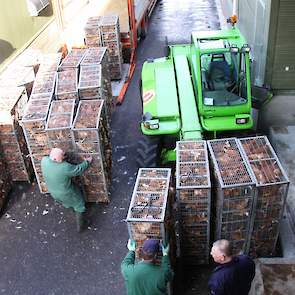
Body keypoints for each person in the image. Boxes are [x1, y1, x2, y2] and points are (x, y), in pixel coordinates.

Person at [41, 148, 92, 232]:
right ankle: (81, 226)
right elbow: (78, 170)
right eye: (62, 156)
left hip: (53, 192)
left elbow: (48, 156)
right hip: (66, 193)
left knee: (68, 203)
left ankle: (74, 211)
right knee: (79, 204)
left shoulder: (44, 161)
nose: (64, 158)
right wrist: (87, 162)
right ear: (55, 159)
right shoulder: (64, 167)